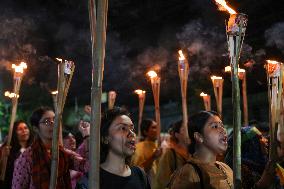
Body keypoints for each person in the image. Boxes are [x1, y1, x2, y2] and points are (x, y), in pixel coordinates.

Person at [12, 106, 90, 189]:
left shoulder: (63, 153)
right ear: (35, 128)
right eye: (47, 121)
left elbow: (87, 166)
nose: (53, 123)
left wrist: (87, 136)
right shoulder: (27, 157)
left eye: (55, 119)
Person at [76, 107, 150, 189]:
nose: (132, 133)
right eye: (123, 128)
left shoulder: (140, 175)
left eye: (132, 129)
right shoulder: (89, 181)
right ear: (105, 138)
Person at [169, 111, 233, 189]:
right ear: (199, 136)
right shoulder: (189, 174)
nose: (223, 130)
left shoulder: (225, 168)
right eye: (215, 126)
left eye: (222, 126)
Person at [153, 120, 190, 189]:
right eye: (185, 129)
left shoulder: (196, 153)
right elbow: (161, 182)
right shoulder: (170, 154)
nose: (189, 131)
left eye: (190, 128)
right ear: (177, 135)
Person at [0, 120, 33, 189]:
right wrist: (3, 157)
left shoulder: (34, 149)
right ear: (14, 133)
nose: (24, 131)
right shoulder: (7, 150)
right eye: (20, 129)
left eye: (25, 128)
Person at [131, 119, 162, 186]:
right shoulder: (138, 148)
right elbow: (138, 171)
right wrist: (153, 157)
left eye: (158, 127)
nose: (157, 130)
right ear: (145, 132)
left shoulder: (159, 146)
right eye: (154, 127)